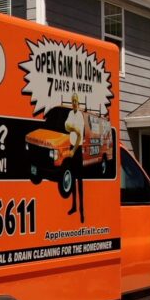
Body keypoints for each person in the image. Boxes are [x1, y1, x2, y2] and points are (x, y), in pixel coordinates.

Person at [64, 94, 85, 223]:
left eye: (76, 101)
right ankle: (74, 207)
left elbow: (79, 136)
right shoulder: (70, 114)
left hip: (77, 150)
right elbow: (66, 126)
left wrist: (73, 151)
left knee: (79, 181)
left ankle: (82, 212)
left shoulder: (80, 116)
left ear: (79, 102)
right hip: (71, 147)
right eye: (72, 101)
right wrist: (73, 128)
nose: (74, 103)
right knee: (72, 179)